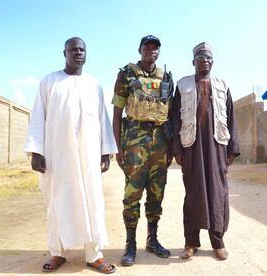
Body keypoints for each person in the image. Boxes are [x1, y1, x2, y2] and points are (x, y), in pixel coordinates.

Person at [24, 37, 117, 274]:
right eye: (73, 49)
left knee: (92, 202)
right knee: (57, 203)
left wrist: (105, 151)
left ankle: (94, 255)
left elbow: (102, 119)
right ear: (64, 52)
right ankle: (57, 252)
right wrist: (36, 151)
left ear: (86, 53)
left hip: (88, 155)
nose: (78, 53)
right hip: (58, 155)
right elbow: (38, 118)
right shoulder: (49, 82)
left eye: (82, 49)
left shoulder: (94, 84)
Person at [171, 42, 240, 261]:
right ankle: (190, 242)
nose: (205, 61)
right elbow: (173, 119)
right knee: (193, 194)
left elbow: (231, 116)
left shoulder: (222, 85)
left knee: (217, 194)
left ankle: (218, 242)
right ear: (193, 62)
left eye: (208, 58)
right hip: (191, 147)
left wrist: (232, 148)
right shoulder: (182, 85)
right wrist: (176, 148)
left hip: (217, 147)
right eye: (200, 58)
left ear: (213, 61)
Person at [112, 35, 173, 266]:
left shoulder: (166, 77)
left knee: (157, 192)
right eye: (146, 47)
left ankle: (152, 239)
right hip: (134, 140)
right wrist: (117, 146)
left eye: (155, 48)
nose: (151, 51)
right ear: (139, 50)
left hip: (160, 142)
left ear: (159, 52)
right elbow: (117, 113)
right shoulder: (126, 74)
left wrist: (172, 147)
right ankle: (130, 245)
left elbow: (171, 114)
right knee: (133, 193)